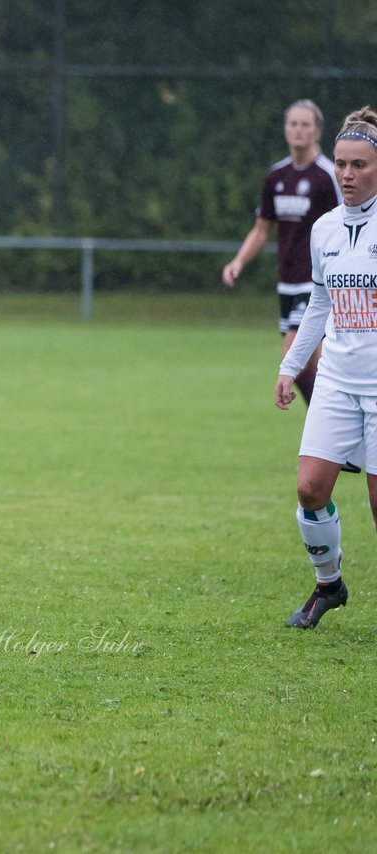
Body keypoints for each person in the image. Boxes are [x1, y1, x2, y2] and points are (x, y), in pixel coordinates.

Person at [274, 105, 377, 629]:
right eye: (341, 164)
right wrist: (291, 367)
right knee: (310, 489)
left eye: (360, 165)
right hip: (336, 380)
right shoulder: (325, 229)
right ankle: (328, 584)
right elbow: (319, 303)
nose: (348, 174)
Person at [224, 99, 343, 407]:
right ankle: (340, 436)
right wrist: (238, 260)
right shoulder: (276, 176)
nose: (298, 130)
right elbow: (262, 229)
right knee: (313, 364)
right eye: (293, 124)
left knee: (295, 359)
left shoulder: (328, 175)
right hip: (287, 282)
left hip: (316, 283)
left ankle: (330, 431)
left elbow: (350, 222)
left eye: (305, 124)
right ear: (285, 129)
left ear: (317, 131)